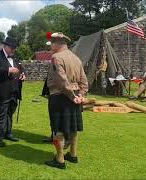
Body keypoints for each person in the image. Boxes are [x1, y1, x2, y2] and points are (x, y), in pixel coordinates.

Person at [45, 32, 88, 169]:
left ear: (58, 43)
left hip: (60, 96)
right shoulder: (76, 58)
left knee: (58, 130)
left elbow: (61, 81)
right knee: (73, 128)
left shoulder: (56, 57)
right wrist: (80, 95)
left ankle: (59, 159)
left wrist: (72, 95)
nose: (50, 45)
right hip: (74, 96)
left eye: (52, 42)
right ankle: (73, 155)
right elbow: (84, 81)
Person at [0, 37, 26, 148]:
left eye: (15, 48)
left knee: (10, 113)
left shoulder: (15, 57)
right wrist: (8, 70)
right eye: (12, 48)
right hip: (1, 92)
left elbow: (20, 68)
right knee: (1, 114)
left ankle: (8, 133)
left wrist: (23, 74)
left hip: (14, 91)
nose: (13, 50)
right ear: (6, 46)